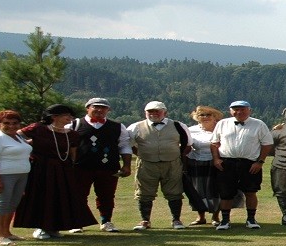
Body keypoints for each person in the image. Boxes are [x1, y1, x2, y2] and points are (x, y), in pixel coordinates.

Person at [14, 104, 97, 239]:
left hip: (62, 169)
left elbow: (72, 153)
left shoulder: (72, 134)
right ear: (54, 117)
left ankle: (54, 227)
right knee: (41, 197)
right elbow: (15, 136)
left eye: (71, 116)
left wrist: (71, 169)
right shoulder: (38, 129)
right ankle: (40, 227)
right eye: (67, 115)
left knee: (60, 198)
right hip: (40, 169)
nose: (70, 118)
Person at [67, 97, 133, 233]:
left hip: (108, 168)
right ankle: (77, 222)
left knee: (107, 196)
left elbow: (124, 146)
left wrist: (127, 165)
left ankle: (106, 221)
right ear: (87, 108)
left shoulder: (118, 126)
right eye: (95, 106)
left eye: (103, 107)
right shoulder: (74, 125)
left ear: (108, 110)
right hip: (80, 167)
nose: (99, 110)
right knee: (78, 195)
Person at [126, 101, 192, 230]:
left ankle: (176, 220)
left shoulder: (179, 126)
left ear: (165, 112)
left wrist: (176, 157)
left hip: (172, 164)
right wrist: (142, 155)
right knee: (143, 192)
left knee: (175, 192)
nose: (153, 114)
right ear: (145, 113)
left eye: (157, 111)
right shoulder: (135, 127)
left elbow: (188, 145)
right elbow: (129, 145)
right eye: (150, 111)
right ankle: (145, 221)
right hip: (146, 165)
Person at [210, 100, 273, 230]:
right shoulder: (222, 123)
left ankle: (251, 220)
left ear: (249, 110)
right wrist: (216, 159)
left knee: (250, 191)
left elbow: (267, 144)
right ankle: (225, 221)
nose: (239, 112)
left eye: (242, 109)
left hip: (250, 163)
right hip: (227, 163)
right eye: (235, 109)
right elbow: (214, 143)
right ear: (230, 111)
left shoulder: (259, 124)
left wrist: (260, 162)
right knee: (226, 193)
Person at [0, 110, 32, 245]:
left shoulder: (18, 137)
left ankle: (7, 233)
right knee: (1, 204)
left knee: (12, 204)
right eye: (6, 123)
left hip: (21, 174)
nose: (11, 126)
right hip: (4, 175)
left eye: (15, 123)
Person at [185, 105, 224, 225]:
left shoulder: (221, 128)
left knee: (216, 190)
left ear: (214, 117)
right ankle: (200, 217)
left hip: (217, 163)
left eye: (208, 115)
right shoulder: (190, 130)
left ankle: (216, 217)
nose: (205, 117)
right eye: (202, 115)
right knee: (198, 190)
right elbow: (186, 146)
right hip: (196, 163)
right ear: (197, 117)